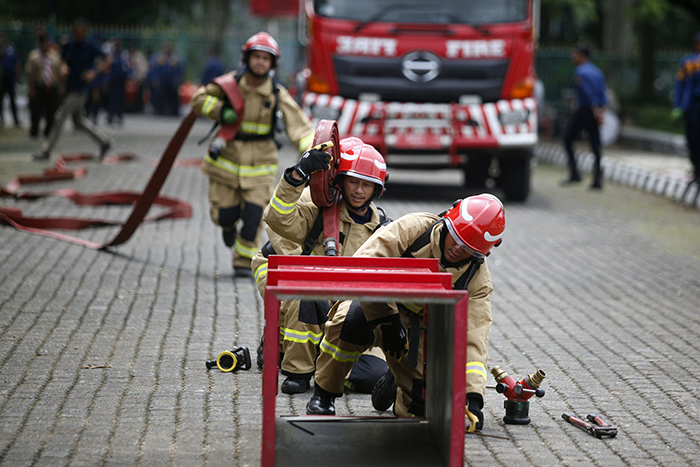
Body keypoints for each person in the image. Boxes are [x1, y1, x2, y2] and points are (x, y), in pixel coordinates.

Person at [305, 194, 506, 434]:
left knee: (420, 413)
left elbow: (473, 338)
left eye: (467, 249)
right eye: (456, 237)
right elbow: (363, 268)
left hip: (420, 333)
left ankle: (395, 381)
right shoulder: (413, 229)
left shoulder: (478, 280)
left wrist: (473, 398)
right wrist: (386, 318)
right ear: (447, 220)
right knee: (350, 321)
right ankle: (324, 396)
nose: (456, 249)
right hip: (376, 307)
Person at [254, 138, 391, 394]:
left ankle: (323, 367)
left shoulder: (384, 228)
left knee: (374, 377)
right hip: (315, 307)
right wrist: (297, 175)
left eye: (366, 185)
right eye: (353, 182)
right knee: (305, 295)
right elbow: (277, 217)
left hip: (349, 316)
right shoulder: (319, 213)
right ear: (341, 181)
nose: (359, 191)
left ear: (377, 189)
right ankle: (298, 371)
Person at [190, 31, 315, 277]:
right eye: (255, 57)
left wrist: (312, 152)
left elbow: (301, 128)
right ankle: (227, 226)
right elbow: (197, 99)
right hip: (227, 157)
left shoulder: (277, 95)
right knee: (224, 215)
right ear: (246, 59)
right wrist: (219, 109)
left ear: (272, 64)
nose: (260, 62)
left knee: (254, 214)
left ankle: (242, 261)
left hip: (261, 162)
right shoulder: (228, 85)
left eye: (265, 58)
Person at [32, 18, 113, 162]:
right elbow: (62, 61)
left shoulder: (90, 46)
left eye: (79, 31)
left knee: (59, 116)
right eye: (74, 31)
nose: (76, 34)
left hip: (80, 90)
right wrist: (63, 68)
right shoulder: (69, 45)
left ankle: (46, 150)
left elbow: (108, 59)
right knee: (79, 122)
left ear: (85, 32)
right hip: (70, 88)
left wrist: (94, 72)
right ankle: (104, 142)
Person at [562, 44, 607, 190]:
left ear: (582, 56)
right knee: (596, 145)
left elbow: (588, 94)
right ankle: (598, 180)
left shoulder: (580, 72)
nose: (573, 57)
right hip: (596, 112)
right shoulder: (597, 72)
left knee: (567, 139)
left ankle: (575, 173)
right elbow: (602, 94)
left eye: (575, 54)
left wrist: (595, 110)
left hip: (585, 112)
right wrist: (601, 113)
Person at [671, 32, 700, 184]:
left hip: (692, 106)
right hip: (693, 106)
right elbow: (680, 85)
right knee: (693, 139)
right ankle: (697, 170)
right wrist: (678, 106)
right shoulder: (688, 62)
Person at [25, 33, 63, 139]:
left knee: (51, 111)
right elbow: (30, 73)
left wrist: (61, 86)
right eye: (42, 43)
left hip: (52, 87)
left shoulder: (55, 56)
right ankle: (34, 131)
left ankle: (48, 131)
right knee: (35, 110)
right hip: (39, 86)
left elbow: (60, 73)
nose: (44, 45)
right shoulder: (34, 56)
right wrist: (31, 88)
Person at [0, 30, 23, 128]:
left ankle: (16, 120)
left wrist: (19, 76)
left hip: (10, 77)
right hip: (1, 77)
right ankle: (2, 120)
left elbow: (16, 63)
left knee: (12, 99)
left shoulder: (11, 48)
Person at [107, 39, 131, 125]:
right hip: (113, 80)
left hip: (121, 80)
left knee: (120, 99)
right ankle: (110, 116)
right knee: (112, 98)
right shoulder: (111, 54)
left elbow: (127, 66)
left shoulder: (124, 54)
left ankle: (119, 116)